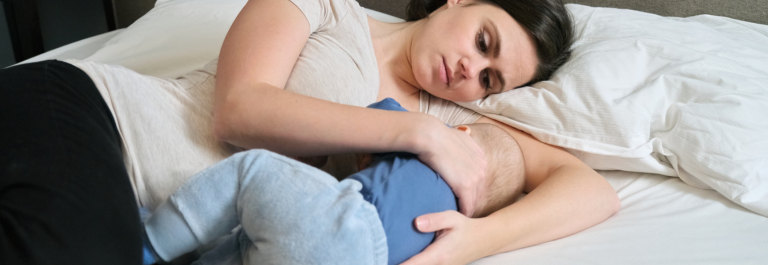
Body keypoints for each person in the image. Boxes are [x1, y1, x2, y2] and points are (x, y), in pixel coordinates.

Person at [0, 0, 620, 264]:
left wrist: (469, 243)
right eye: (484, 42)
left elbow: (591, 190)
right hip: (93, 118)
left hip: (132, 215)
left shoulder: (447, 126)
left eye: (489, 81)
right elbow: (238, 110)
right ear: (457, 0)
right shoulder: (327, 7)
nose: (469, 71)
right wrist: (415, 135)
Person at [141, 98, 526, 265]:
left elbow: (378, 119)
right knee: (244, 251)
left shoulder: (437, 146)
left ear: (462, 131)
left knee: (251, 172)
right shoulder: (453, 225)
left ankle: (149, 243)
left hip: (346, 226)